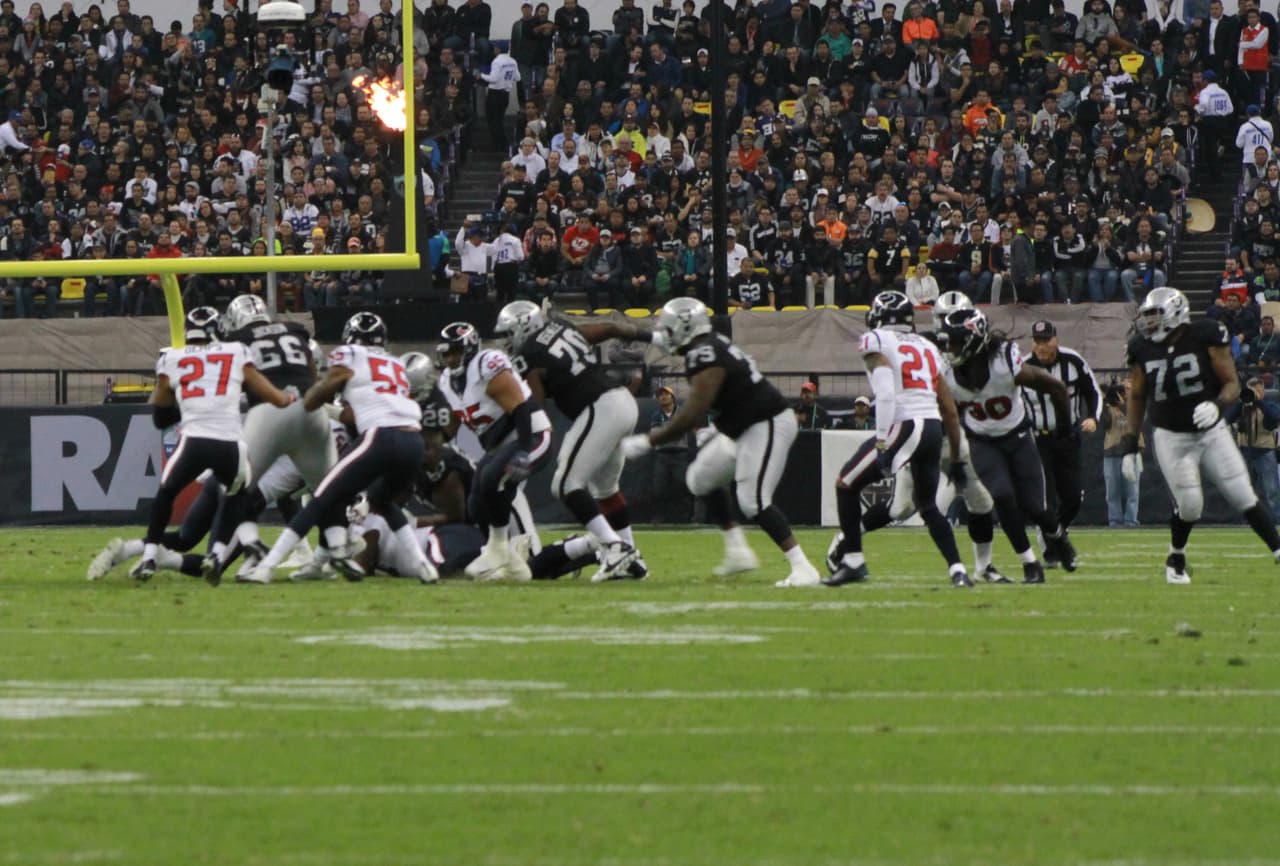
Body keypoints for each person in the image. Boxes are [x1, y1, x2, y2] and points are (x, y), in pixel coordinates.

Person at [620, 297, 820, 587]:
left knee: (753, 501)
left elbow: (693, 410)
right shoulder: (709, 346)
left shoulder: (705, 353)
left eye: (671, 330)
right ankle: (738, 551)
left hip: (767, 422)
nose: (667, 336)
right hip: (741, 427)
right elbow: (705, 397)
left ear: (687, 329)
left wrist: (648, 442)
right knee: (701, 479)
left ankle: (803, 567)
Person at [241, 313, 437, 586]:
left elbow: (328, 393)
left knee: (321, 497)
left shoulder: (349, 355)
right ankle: (423, 565)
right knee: (383, 502)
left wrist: (310, 399)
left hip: (380, 436)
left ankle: (267, 566)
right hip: (413, 440)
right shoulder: (394, 363)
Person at [1124, 288, 1280, 584]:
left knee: (1243, 493)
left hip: (1211, 431)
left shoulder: (1205, 334)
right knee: (1191, 503)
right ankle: (1176, 557)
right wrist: (1130, 444)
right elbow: (1138, 396)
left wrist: (1218, 405)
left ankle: (1277, 550)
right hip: (1171, 436)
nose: (1149, 323)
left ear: (1175, 313)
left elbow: (1232, 383)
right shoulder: (1141, 348)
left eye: (1155, 315)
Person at [495, 300, 658, 581]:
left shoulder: (529, 353)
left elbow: (535, 405)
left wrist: (520, 442)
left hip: (600, 407)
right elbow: (609, 326)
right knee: (605, 489)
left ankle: (615, 547)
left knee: (566, 484)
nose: (507, 343)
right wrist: (653, 336)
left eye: (509, 334)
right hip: (622, 401)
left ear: (524, 327)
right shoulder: (561, 326)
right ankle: (631, 558)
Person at [131, 307, 296, 582]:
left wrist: (183, 398)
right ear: (218, 330)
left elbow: (159, 414)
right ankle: (218, 556)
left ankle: (149, 556)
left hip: (194, 441)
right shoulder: (236, 351)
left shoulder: (172, 358)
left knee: (166, 493)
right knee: (238, 496)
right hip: (229, 445)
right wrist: (287, 399)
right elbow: (271, 395)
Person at [824, 291, 974, 588]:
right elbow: (950, 411)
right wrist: (956, 458)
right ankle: (958, 570)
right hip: (932, 428)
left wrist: (882, 442)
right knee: (927, 505)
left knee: (846, 483)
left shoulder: (875, 340)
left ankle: (853, 560)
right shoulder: (928, 347)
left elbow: (886, 392)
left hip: (904, 425)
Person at [937, 308, 1079, 584]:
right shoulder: (948, 373)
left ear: (972, 341)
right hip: (982, 440)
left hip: (1018, 437)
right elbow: (950, 418)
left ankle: (1058, 538)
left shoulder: (1004, 361)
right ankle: (1030, 563)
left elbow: (1056, 387)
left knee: (1036, 507)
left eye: (954, 341)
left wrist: (1064, 430)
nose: (949, 348)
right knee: (1002, 496)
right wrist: (955, 459)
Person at [215, 294, 335, 583]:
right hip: (310, 425)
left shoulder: (239, 342)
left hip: (284, 420)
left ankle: (226, 558)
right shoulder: (294, 333)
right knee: (328, 494)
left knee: (243, 491)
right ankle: (322, 552)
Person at [435, 320, 554, 581]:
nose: (450, 358)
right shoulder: (446, 381)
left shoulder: (486, 364)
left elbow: (521, 408)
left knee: (493, 481)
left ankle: (500, 549)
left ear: (468, 348)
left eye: (455, 351)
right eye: (446, 353)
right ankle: (513, 564)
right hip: (500, 444)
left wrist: (523, 449)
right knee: (475, 502)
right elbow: (454, 424)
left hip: (530, 434)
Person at [1021, 319, 1101, 560]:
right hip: (1038, 441)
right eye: (1037, 341)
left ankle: (1058, 532)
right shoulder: (1022, 366)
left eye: (1046, 340)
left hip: (1068, 438)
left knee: (1074, 498)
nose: (1042, 346)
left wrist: (1093, 418)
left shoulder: (1073, 361)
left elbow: (1093, 390)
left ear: (1056, 340)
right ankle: (1049, 547)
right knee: (1047, 498)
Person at [1228, 376, 1280, 516]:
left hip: (1265, 452)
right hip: (1245, 451)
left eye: (1258, 390)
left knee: (1272, 490)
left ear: (1263, 391)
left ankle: (1277, 518)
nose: (1255, 394)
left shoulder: (1270, 406)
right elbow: (1228, 419)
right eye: (1252, 391)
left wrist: (1260, 402)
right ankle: (1247, 519)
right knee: (1246, 489)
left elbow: (1274, 418)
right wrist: (1242, 402)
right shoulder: (1241, 407)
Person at [1101, 378, 1142, 528]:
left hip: (1131, 452)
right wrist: (1106, 403)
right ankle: (1115, 521)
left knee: (1132, 491)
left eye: (1128, 389)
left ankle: (1131, 520)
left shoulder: (1137, 404)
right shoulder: (1110, 406)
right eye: (1123, 389)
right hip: (1112, 452)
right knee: (1112, 491)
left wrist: (1123, 405)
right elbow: (1104, 425)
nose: (1125, 392)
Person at [649, 385, 693, 523]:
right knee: (659, 488)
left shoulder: (682, 413)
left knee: (682, 486)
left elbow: (681, 432)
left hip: (681, 454)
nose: (663, 396)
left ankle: (684, 518)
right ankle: (658, 518)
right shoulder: (656, 415)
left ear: (672, 396)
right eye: (660, 395)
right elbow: (655, 435)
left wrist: (666, 431)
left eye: (666, 394)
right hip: (662, 455)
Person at [477, 45, 520, 153]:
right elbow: (517, 77)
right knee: (499, 120)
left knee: (493, 121)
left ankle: (498, 144)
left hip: (495, 94)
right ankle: (500, 144)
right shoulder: (513, 61)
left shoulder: (497, 61)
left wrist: (481, 75)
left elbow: (494, 79)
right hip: (505, 94)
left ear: (499, 49)